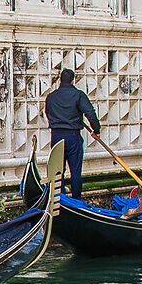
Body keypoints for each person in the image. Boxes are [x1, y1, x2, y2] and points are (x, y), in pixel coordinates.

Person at [43, 67, 101, 198]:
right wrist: (96, 130)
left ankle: (61, 200)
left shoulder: (51, 97)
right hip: (73, 136)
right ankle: (76, 200)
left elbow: (48, 113)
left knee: (58, 171)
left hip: (56, 135)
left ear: (60, 80)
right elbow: (90, 113)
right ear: (73, 80)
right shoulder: (79, 95)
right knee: (75, 171)